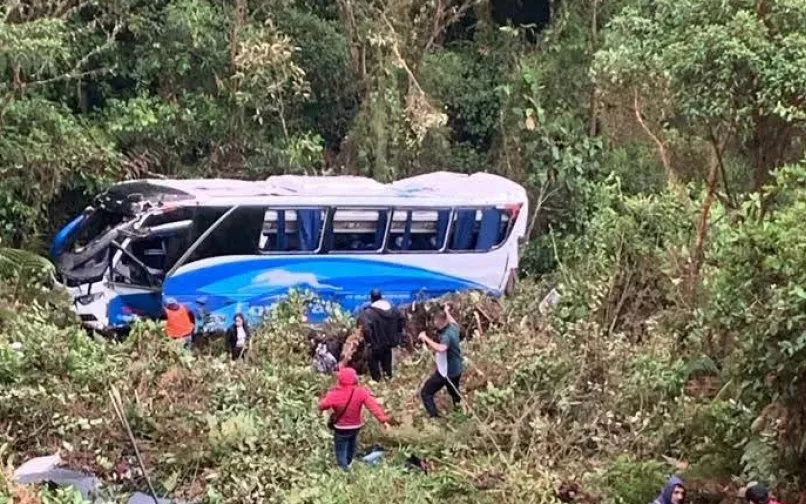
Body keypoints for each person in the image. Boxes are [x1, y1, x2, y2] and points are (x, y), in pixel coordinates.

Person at [318, 367, 391, 469]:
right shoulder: (361, 392)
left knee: (340, 449)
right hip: (355, 426)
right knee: (351, 446)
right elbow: (373, 407)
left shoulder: (334, 394)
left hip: (341, 428)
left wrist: (325, 400)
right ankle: (349, 464)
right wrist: (383, 420)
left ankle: (343, 470)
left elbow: (322, 406)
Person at [418, 304, 463, 418]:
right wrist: (447, 311)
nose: (433, 323)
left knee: (426, 393)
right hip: (457, 369)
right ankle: (459, 414)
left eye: (434, 320)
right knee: (455, 393)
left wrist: (426, 338)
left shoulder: (446, 336)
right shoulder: (453, 328)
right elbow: (453, 321)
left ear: (438, 321)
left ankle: (435, 418)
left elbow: (442, 348)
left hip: (446, 373)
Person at [358, 289, 406, 381]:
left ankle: (377, 384)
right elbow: (402, 320)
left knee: (375, 369)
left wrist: (370, 342)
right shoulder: (394, 310)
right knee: (387, 367)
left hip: (375, 345)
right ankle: (389, 383)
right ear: (381, 297)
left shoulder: (368, 313)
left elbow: (366, 329)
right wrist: (397, 334)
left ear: (371, 299)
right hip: (389, 344)